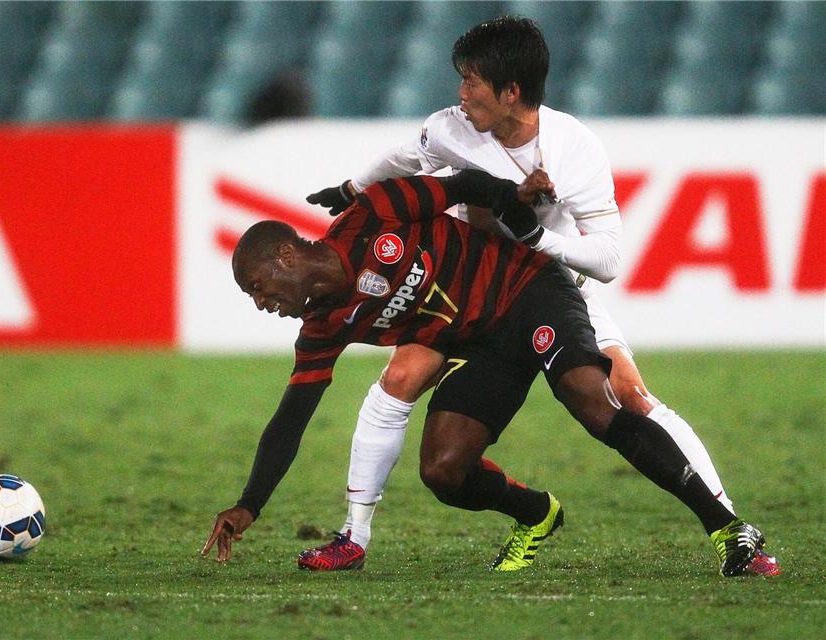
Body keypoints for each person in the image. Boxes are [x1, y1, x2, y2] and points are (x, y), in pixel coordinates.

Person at [301, 16, 779, 576]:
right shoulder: (452, 128)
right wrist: (354, 189)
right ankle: (354, 536)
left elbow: (607, 259)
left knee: (625, 394)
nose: (460, 93)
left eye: (471, 81)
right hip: (463, 293)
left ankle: (727, 524)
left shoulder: (574, 149)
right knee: (405, 388)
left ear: (512, 92)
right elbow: (405, 158)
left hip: (546, 286)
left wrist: (538, 238)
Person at [201, 169, 770, 578]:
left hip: (529, 290)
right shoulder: (322, 327)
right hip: (490, 344)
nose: (260, 303)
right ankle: (536, 514)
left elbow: (463, 186)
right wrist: (248, 505)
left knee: (595, 402)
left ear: (283, 256)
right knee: (444, 471)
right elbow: (290, 420)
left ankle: (727, 528)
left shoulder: (375, 214)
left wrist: (515, 204)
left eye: (256, 288)